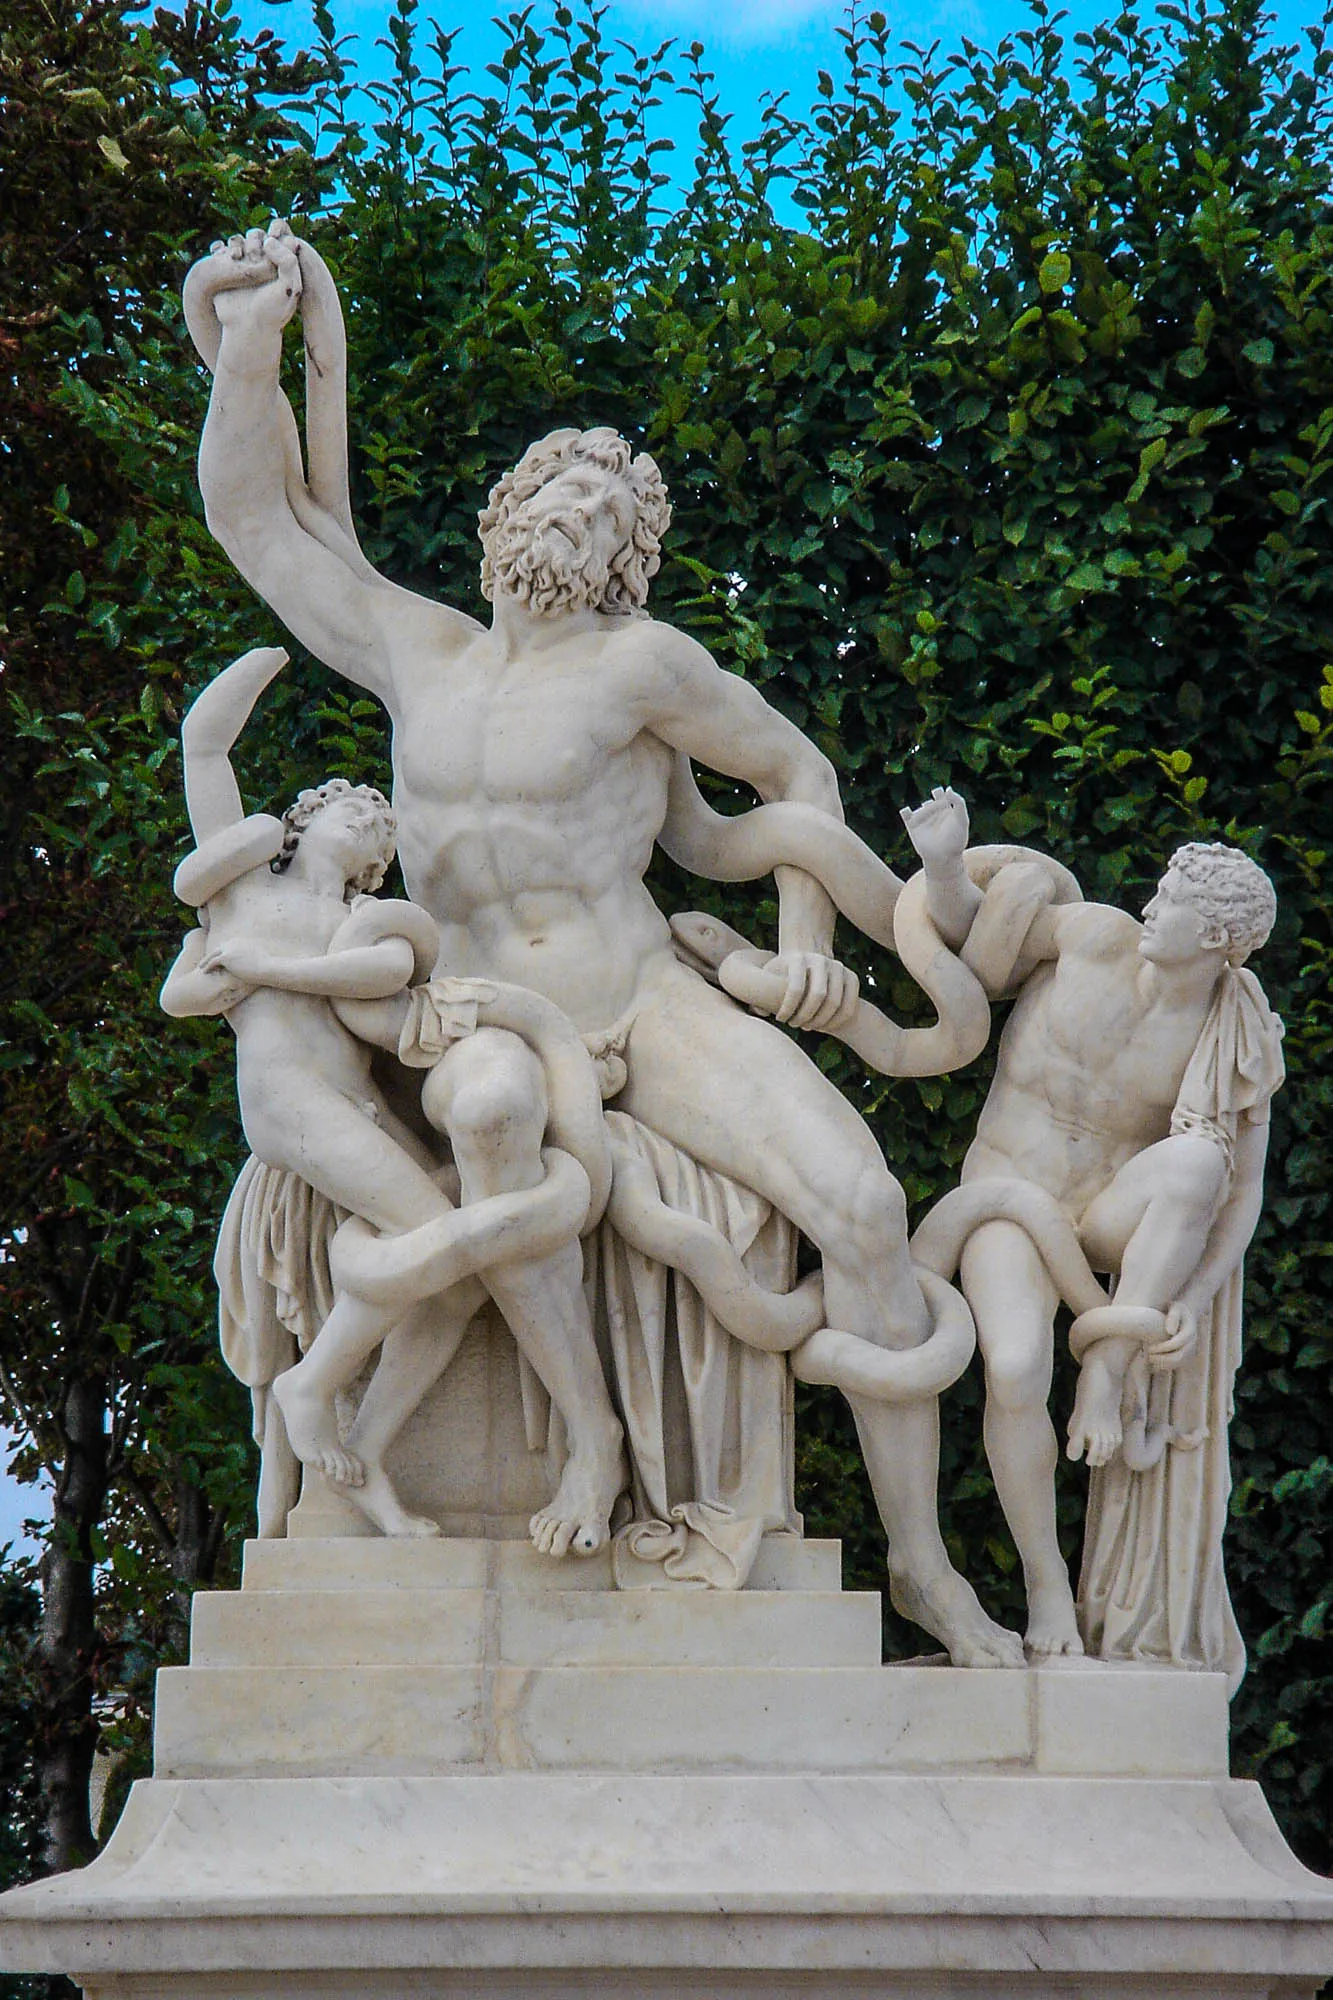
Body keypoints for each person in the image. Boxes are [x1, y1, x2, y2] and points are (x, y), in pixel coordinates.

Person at [181, 219, 1023, 1667]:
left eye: (601, 509)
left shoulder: (645, 666)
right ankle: (573, 1445)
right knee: (496, 1116)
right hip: (473, 1015)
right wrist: (249, 341)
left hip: (641, 993)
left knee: (868, 1205)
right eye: (557, 491)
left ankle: (929, 1573)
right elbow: (260, 521)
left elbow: (795, 782)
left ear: (627, 556)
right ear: (507, 513)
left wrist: (803, 948)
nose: (573, 515)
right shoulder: (413, 647)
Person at [161, 644, 626, 1555]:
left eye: (381, 829)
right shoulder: (241, 891)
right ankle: (315, 1392)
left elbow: (397, 995)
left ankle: (360, 1444)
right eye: (352, 809)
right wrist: (265, 663)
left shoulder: (358, 930)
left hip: (354, 1109)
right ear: (302, 819)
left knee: (447, 1281)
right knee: (446, 1248)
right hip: (290, 1102)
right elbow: (203, 751)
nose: (369, 826)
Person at [914, 794, 1283, 1658]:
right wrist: (940, 863)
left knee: (1199, 1162)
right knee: (1011, 1367)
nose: (1150, 907)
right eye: (1157, 891)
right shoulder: (1090, 935)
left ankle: (1106, 1367)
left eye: (1173, 903)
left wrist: (1190, 1295)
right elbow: (977, 945)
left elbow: (1242, 1192)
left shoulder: (1231, 1028)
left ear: (1218, 940)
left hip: (1107, 1212)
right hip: (1008, 1189)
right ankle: (1046, 1591)